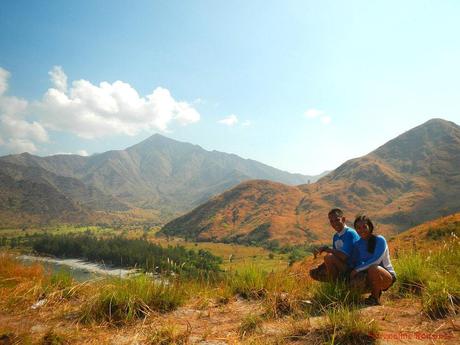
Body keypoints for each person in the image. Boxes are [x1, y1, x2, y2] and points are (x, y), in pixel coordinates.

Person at [350, 215, 396, 306]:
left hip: (386, 277)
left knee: (373, 268)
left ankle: (375, 298)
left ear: (370, 227)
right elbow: (355, 261)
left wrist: (356, 270)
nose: (361, 230)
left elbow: (376, 260)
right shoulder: (357, 244)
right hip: (369, 276)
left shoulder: (379, 240)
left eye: (364, 227)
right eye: (358, 228)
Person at [309, 208, 360, 281]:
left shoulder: (350, 233)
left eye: (337, 220)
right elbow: (335, 254)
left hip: (353, 267)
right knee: (317, 270)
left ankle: (334, 283)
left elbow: (344, 256)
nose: (334, 223)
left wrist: (327, 249)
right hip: (343, 265)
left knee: (329, 257)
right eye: (331, 221)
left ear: (343, 219)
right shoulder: (336, 236)